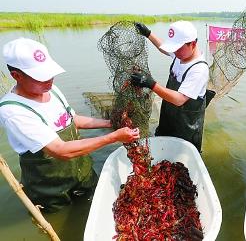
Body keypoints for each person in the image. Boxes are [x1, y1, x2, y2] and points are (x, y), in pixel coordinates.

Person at [0, 38, 140, 212]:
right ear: (16, 76)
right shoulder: (13, 111)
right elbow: (60, 150)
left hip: (81, 171)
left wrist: (111, 123)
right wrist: (113, 137)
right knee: (61, 218)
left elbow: (70, 119)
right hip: (50, 189)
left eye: (50, 74)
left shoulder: (50, 89)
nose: (49, 81)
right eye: (41, 77)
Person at [131, 21, 211, 152]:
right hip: (168, 118)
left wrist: (151, 84)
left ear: (193, 44)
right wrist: (148, 33)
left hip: (187, 129)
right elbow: (163, 47)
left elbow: (179, 99)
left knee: (182, 159)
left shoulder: (199, 69)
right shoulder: (181, 54)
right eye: (173, 47)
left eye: (178, 47)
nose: (174, 51)